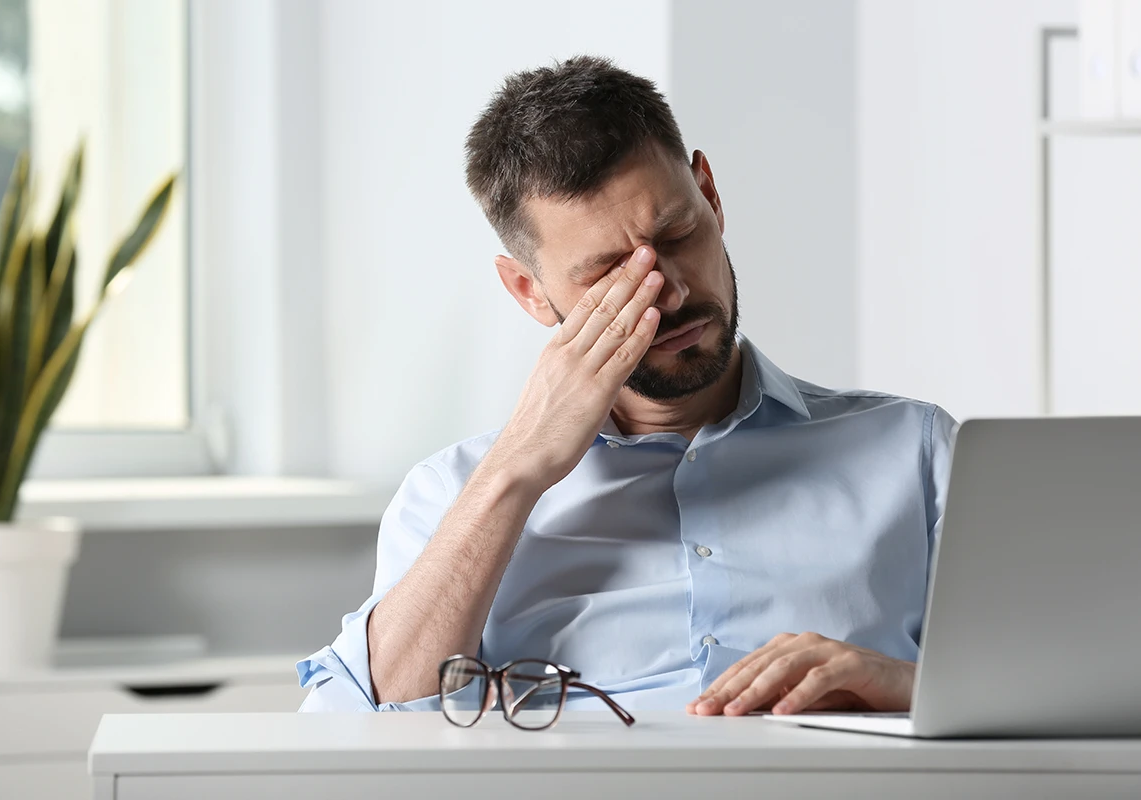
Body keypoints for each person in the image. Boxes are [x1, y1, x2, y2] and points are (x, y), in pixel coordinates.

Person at [298, 55, 956, 717]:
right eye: (608, 274)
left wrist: (903, 685)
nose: (669, 292)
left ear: (711, 196)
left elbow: (1025, 686)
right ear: (529, 290)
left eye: (678, 234)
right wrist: (516, 468)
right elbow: (348, 724)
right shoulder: (450, 493)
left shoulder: (916, 451)